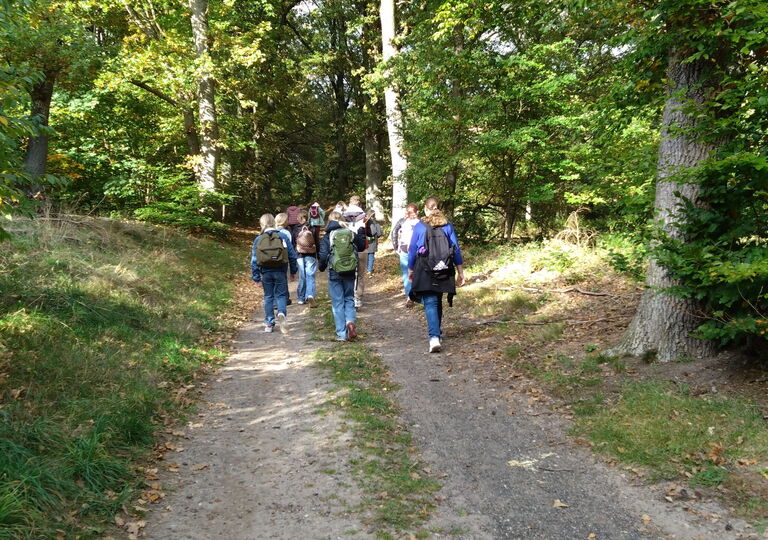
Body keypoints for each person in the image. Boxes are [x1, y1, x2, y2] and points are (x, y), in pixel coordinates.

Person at [408, 197, 466, 352]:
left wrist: (410, 269)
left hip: (425, 268)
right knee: (437, 299)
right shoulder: (447, 226)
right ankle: (436, 333)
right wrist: (460, 271)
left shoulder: (420, 227)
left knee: (430, 301)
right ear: (439, 208)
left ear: (426, 209)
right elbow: (456, 249)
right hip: (444, 268)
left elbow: (412, 249)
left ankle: (434, 337)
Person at [318, 211, 366, 341]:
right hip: (350, 270)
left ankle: (341, 334)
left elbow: (323, 255)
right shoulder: (349, 232)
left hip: (335, 271)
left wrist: (321, 267)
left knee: (337, 302)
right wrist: (361, 233)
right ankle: (350, 321)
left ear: (330, 221)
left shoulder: (328, 236)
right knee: (349, 298)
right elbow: (361, 246)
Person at [252, 214, 298, 334]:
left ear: (261, 224)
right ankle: (281, 312)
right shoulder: (282, 236)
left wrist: (256, 277)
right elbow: (292, 255)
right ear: (274, 223)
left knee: (268, 296)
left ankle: (269, 323)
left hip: (265, 273)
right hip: (280, 271)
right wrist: (293, 271)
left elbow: (254, 260)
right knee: (281, 295)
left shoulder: (258, 239)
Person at [391, 203, 420, 305]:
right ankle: (417, 294)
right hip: (417, 250)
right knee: (418, 271)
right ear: (417, 212)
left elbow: (394, 232)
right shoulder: (420, 222)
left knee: (406, 273)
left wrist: (396, 247)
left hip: (404, 249)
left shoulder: (403, 222)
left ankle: (409, 296)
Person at [343, 195, 368, 308]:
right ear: (359, 203)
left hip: (347, 247)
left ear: (350, 203)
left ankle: (349, 297)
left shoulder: (343, 216)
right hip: (362, 247)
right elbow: (372, 232)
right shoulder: (365, 216)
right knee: (361, 274)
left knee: (349, 272)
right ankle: (358, 298)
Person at [295, 217, 318, 307]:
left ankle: (301, 298)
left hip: (299, 254)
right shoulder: (312, 228)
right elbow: (316, 242)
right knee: (310, 275)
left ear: (300, 218)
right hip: (311, 254)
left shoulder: (296, 229)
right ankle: (310, 295)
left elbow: (294, 241)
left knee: (302, 276)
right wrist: (318, 255)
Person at [274, 213, 293, 306]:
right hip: (282, 259)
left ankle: (274, 301)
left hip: (270, 258)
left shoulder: (270, 232)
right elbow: (289, 248)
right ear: (285, 221)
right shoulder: (286, 233)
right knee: (282, 279)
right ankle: (285, 299)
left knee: (273, 280)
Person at [364, 209, 383, 277]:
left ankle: (366, 269)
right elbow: (379, 233)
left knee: (366, 255)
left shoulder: (364, 221)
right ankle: (369, 270)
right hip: (372, 241)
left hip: (365, 241)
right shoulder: (375, 222)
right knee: (371, 256)